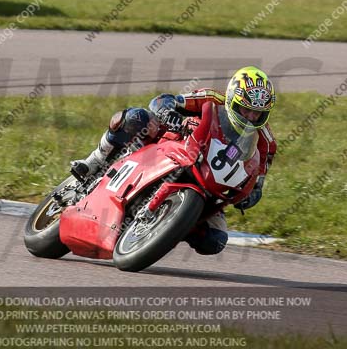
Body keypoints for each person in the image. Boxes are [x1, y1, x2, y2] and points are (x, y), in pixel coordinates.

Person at [71, 66, 277, 256]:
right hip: (175, 145)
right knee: (137, 118)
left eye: (257, 113)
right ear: (232, 99)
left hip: (209, 180)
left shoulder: (266, 141)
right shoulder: (212, 98)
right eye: (245, 109)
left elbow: (258, 178)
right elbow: (163, 101)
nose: (251, 116)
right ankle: (93, 162)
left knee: (215, 240)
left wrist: (251, 195)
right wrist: (170, 115)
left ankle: (168, 225)